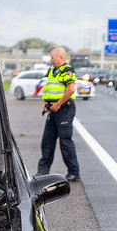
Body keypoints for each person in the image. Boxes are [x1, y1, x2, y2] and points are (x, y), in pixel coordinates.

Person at [37, 47, 81, 182]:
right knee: (47, 141)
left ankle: (74, 172)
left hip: (64, 110)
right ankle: (43, 170)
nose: (50, 60)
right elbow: (48, 88)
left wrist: (58, 104)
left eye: (52, 57)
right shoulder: (52, 71)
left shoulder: (67, 70)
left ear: (61, 58)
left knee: (65, 141)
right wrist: (45, 102)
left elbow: (70, 89)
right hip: (53, 110)